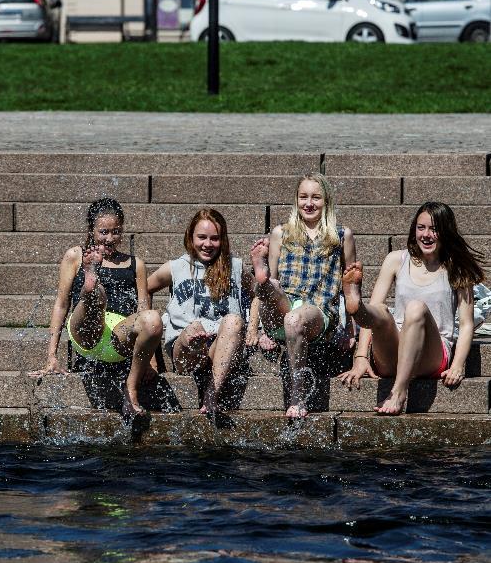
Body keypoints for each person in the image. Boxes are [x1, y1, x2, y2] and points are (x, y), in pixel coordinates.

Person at [340, 201, 485, 415]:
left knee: (415, 308)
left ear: (445, 231)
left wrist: (458, 364)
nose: (426, 234)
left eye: (434, 229)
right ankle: (357, 306)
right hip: (392, 352)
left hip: (433, 356)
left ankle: (398, 391)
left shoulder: (457, 267)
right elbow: (377, 309)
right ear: (414, 229)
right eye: (421, 228)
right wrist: (361, 357)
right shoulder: (395, 260)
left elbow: (466, 324)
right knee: (380, 310)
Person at [29, 198, 163, 420]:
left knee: (152, 318)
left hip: (119, 337)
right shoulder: (74, 255)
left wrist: (151, 362)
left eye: (116, 232)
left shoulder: (135, 263)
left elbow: (142, 308)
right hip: (85, 332)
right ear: (91, 230)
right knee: (96, 294)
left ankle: (131, 389)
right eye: (103, 232)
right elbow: (61, 304)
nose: (110, 238)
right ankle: (91, 283)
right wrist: (51, 356)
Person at [250, 173, 356, 419]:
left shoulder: (341, 236)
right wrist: (255, 330)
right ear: (296, 200)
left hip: (317, 312)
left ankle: (297, 397)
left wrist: (350, 331)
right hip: (281, 307)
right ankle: (259, 272)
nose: (309, 203)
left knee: (294, 319)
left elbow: (349, 286)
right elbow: (272, 287)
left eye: (316, 198)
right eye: (303, 197)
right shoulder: (280, 233)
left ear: (326, 201)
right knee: (270, 284)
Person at [147, 208, 257, 414]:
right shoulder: (176, 267)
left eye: (214, 238)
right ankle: (196, 343)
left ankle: (212, 394)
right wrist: (151, 352)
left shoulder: (235, 267)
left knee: (233, 320)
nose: (207, 244)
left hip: (221, 346)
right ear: (191, 237)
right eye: (202, 237)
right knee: (194, 328)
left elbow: (257, 294)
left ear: (222, 240)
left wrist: (253, 329)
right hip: (186, 349)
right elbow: (145, 288)